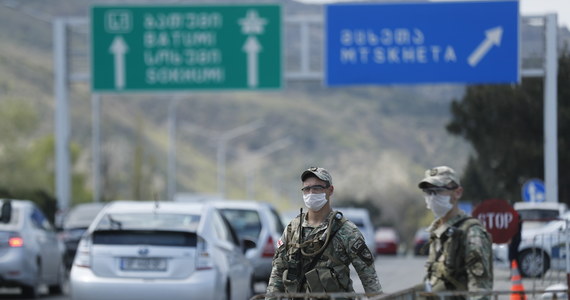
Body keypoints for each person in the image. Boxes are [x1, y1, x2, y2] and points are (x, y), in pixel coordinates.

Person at [266, 167, 382, 299]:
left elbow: (369, 279)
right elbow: (277, 274)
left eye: (317, 188)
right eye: (306, 189)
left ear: (330, 190)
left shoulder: (346, 231)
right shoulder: (293, 229)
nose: (311, 193)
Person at [418, 166, 493, 300]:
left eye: (439, 191)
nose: (432, 197)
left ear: (457, 193)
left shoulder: (471, 232)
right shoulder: (437, 232)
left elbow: (480, 291)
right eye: (428, 192)